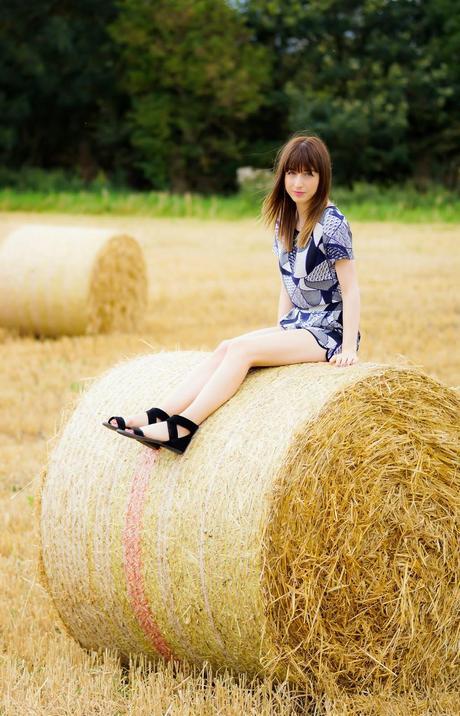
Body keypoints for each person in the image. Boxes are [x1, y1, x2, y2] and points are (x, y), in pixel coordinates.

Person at [103, 133, 361, 455]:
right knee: (227, 347)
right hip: (299, 324)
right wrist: (279, 330)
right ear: (282, 175)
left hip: (327, 331)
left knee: (242, 351)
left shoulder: (332, 223)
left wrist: (348, 347)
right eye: (292, 173)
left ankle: (182, 428)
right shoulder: (285, 219)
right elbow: (288, 281)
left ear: (323, 178)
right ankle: (158, 414)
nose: (299, 181)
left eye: (309, 173)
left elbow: (350, 290)